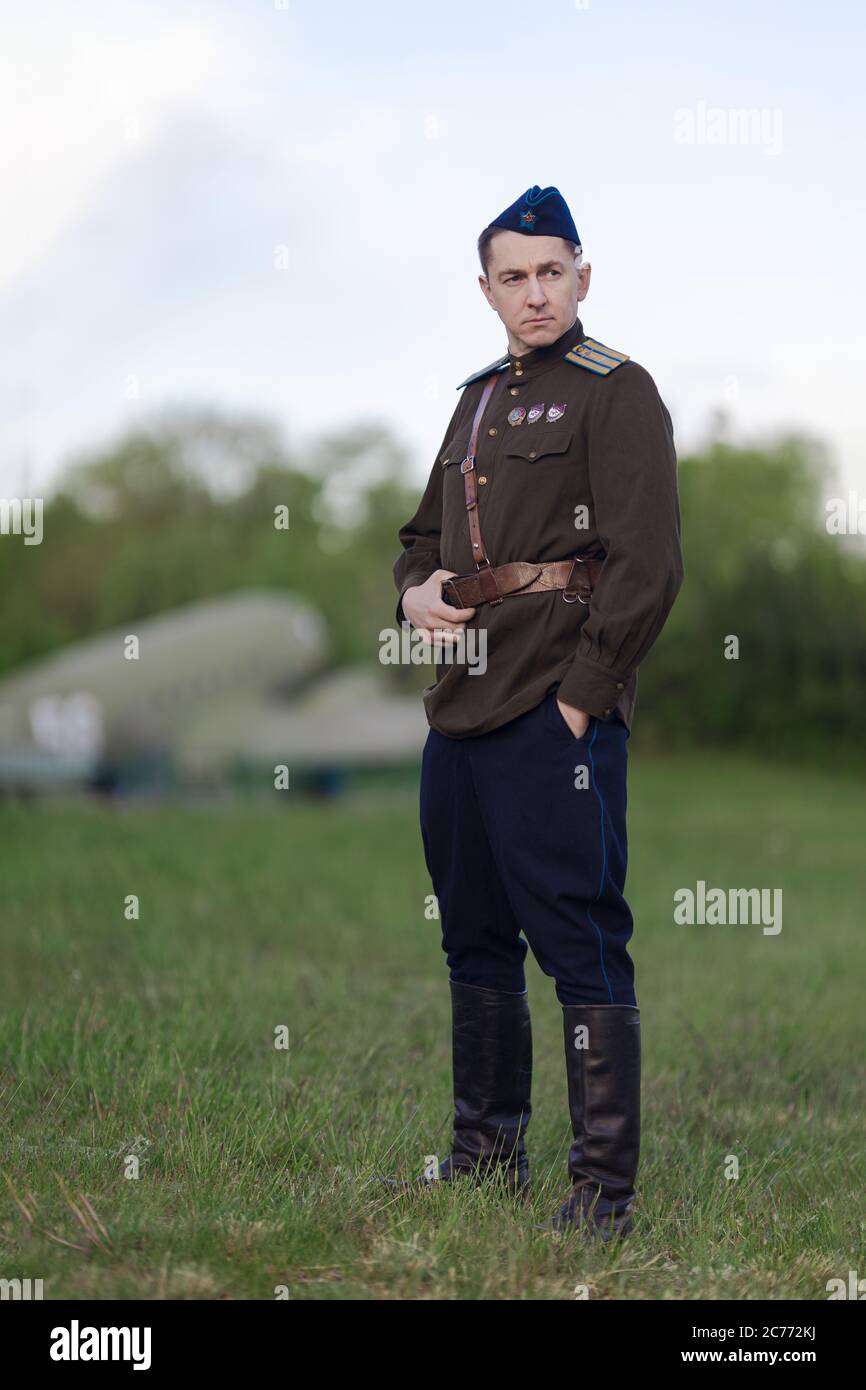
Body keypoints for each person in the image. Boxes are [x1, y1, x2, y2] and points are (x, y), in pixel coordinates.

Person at [388, 184, 684, 1239]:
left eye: (550, 272)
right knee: (472, 941)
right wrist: (411, 592)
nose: (533, 293)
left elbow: (648, 566)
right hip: (458, 708)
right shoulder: (471, 402)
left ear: (581, 276)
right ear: (486, 289)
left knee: (580, 944)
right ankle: (484, 1156)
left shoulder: (618, 390)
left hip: (549, 706)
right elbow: (421, 539)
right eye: (511, 277)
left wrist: (580, 700)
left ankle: (602, 1190)